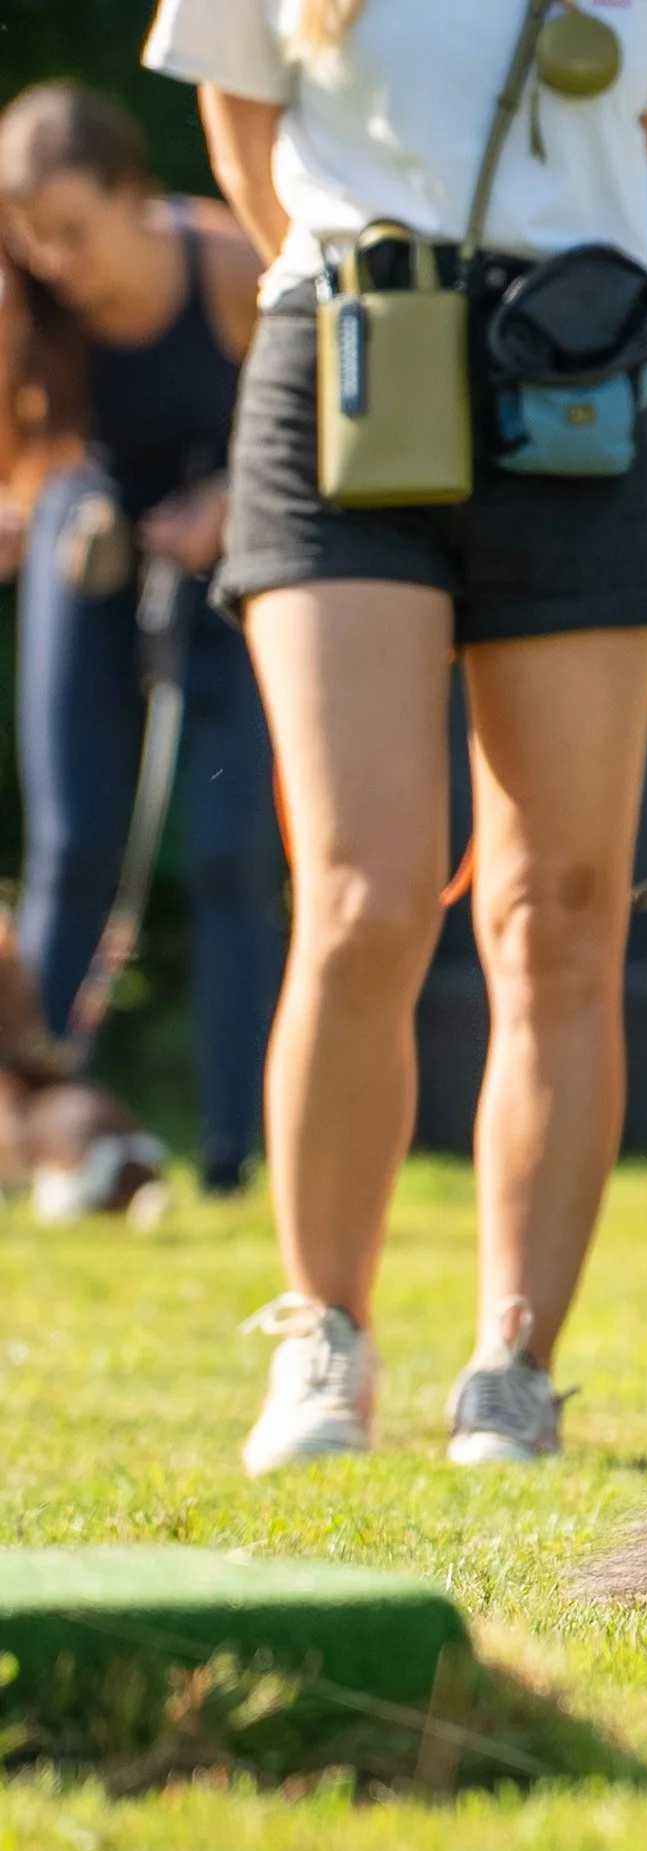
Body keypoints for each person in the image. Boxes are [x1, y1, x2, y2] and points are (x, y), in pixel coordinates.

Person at [141, 0, 647, 1472]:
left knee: (558, 912)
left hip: (581, 378)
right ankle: (324, 1342)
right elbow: (238, 124)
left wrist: (540, 286)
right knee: (360, 899)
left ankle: (515, 1366)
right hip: (350, 364)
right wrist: (388, 283)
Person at [0, 81, 278, 1196]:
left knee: (229, 857)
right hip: (93, 545)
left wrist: (225, 503)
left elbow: (303, 421)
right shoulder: (25, 301)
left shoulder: (226, 263)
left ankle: (233, 1149)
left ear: (134, 193)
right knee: (70, 846)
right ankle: (33, 1130)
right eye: (29, 234)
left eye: (71, 228)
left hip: (237, 558)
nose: (53, 257)